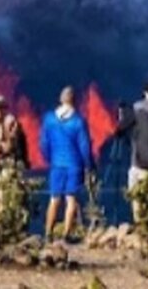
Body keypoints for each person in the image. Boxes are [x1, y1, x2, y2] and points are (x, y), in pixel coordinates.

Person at [40, 86, 94, 242]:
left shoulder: (49, 119)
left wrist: (49, 158)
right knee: (70, 199)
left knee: (54, 199)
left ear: (60, 99)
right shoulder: (78, 121)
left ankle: (48, 233)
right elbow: (84, 146)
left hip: (56, 164)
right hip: (74, 165)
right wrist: (88, 165)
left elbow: (43, 143)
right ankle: (66, 235)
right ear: (74, 100)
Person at [116, 79, 148, 222]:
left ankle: (140, 226)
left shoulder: (137, 109)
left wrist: (121, 115)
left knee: (137, 197)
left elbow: (120, 128)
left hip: (139, 163)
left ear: (145, 92)